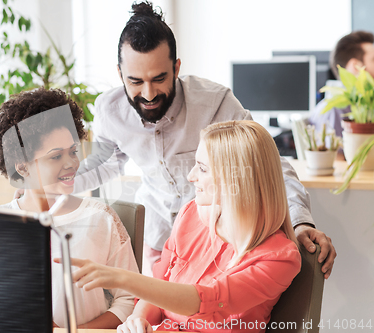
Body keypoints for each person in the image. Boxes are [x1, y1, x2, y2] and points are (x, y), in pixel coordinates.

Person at [71, 1, 336, 278]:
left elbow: (268, 164)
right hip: (157, 239)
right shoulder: (109, 110)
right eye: (135, 81)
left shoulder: (215, 103)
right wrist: (47, 184)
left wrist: (300, 222)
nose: (148, 94)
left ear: (176, 68)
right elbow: (104, 165)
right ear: (120, 74)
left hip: (213, 242)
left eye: (159, 78)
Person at [63, 120, 302, 333]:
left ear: (237, 180)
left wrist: (123, 279)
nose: (190, 176)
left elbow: (206, 302)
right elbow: (161, 285)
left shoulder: (279, 258)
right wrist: (138, 319)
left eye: (203, 168)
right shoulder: (191, 215)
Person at [0, 88, 139, 328]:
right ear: (23, 167)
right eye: (55, 156)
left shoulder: (101, 219)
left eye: (73, 151)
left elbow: (130, 299)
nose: (71, 163)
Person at [309, 30, 374, 137]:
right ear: (356, 67)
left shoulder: (365, 105)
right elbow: (334, 154)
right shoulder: (334, 110)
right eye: (373, 60)